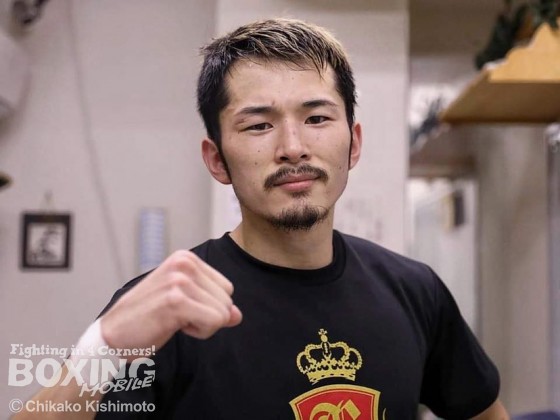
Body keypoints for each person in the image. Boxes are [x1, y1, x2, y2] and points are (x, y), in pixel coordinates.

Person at [17, 18, 509, 419]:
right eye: (258, 125)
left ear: (353, 143)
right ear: (217, 160)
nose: (293, 147)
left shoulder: (414, 291)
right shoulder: (167, 309)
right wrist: (102, 348)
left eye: (317, 119)